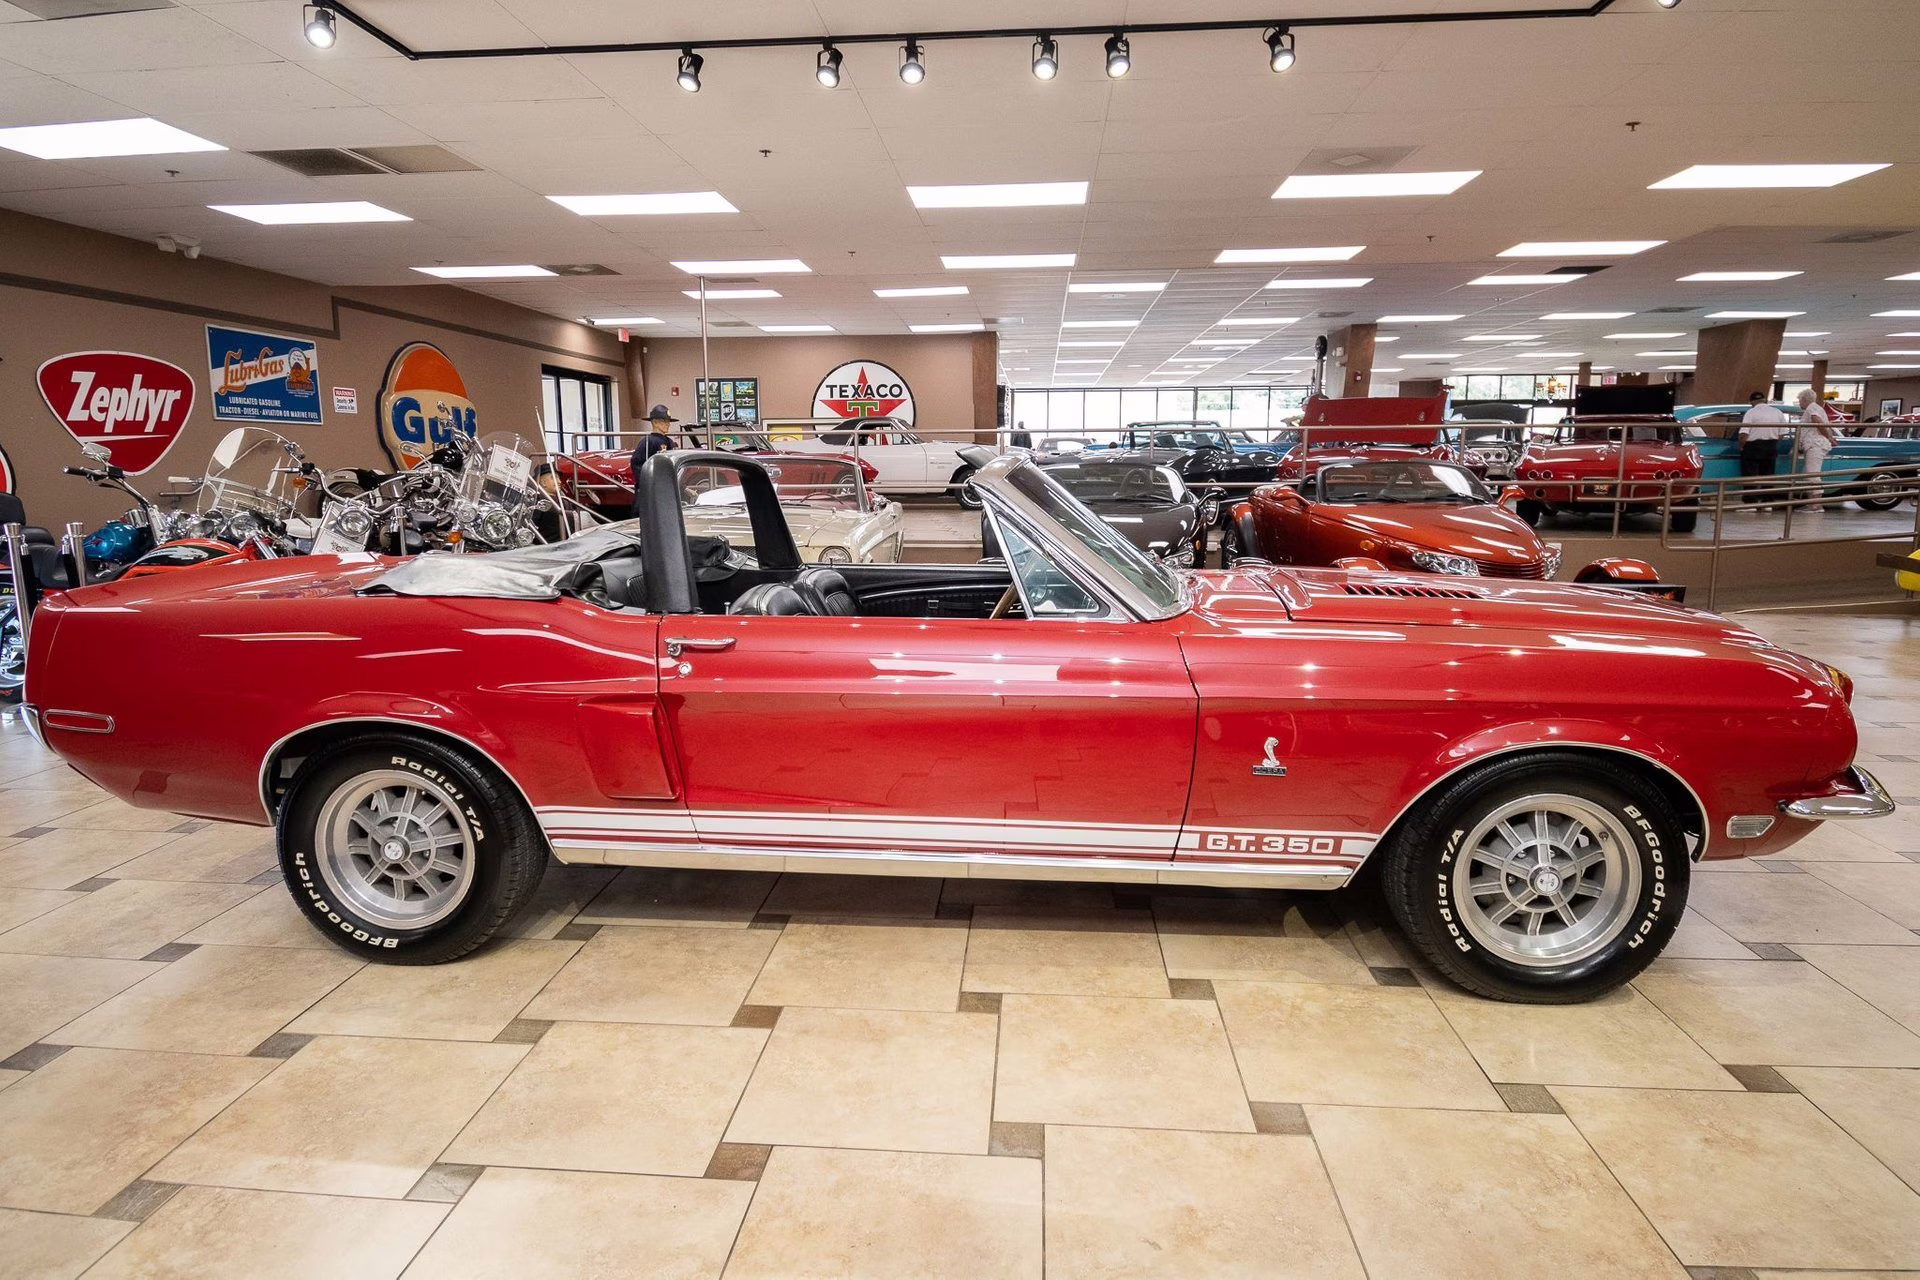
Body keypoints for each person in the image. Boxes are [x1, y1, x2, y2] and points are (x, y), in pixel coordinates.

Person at [1738, 391, 1788, 507]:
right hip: (1771, 446)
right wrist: (1775, 443)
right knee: (1768, 475)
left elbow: (1744, 433)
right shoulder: (1777, 412)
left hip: (1753, 446)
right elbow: (1782, 433)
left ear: (1752, 402)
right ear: (1765, 400)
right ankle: (1768, 502)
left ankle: (1750, 503)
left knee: (1750, 476)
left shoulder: (1751, 412)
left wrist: (1741, 445)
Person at [1796, 389, 1840, 509]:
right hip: (1813, 445)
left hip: (1815, 445)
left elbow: (1818, 422)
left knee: (1812, 474)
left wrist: (1829, 438)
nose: (1799, 403)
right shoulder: (1816, 408)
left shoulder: (1811, 408)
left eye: (1799, 400)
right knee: (1810, 474)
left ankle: (1816, 505)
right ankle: (1812, 503)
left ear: (1804, 400)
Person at [629, 405, 676, 516]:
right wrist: (647, 481)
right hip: (650, 489)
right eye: (664, 421)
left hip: (664, 487)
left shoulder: (669, 441)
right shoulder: (647, 442)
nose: (667, 424)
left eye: (668, 421)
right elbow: (637, 463)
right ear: (655, 422)